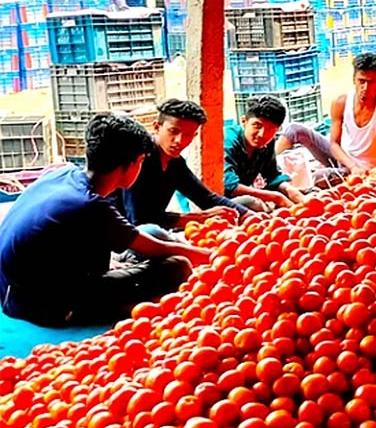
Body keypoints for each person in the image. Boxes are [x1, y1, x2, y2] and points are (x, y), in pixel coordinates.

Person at [0, 115, 210, 327]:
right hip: (44, 306)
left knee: (150, 230)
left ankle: (109, 278)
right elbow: (157, 248)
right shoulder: (89, 206)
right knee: (178, 266)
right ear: (129, 166)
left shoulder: (64, 174)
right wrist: (215, 257)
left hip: (20, 289)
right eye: (140, 161)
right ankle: (96, 310)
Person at [277, 53, 376, 186]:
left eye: (371, 82)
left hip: (364, 170)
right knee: (294, 130)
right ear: (354, 79)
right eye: (361, 81)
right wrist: (351, 165)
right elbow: (334, 144)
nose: (365, 87)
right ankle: (269, 172)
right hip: (344, 158)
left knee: (317, 178)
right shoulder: (341, 103)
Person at [116, 99, 250, 233]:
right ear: (157, 127)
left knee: (245, 204)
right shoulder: (140, 160)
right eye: (173, 131)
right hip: (124, 238)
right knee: (153, 232)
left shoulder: (175, 163)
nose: (179, 141)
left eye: (188, 135)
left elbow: (205, 197)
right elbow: (140, 221)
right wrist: (201, 217)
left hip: (149, 228)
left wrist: (248, 215)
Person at [223, 95, 310, 213]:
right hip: (218, 202)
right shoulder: (227, 140)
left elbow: (272, 175)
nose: (262, 134)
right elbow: (228, 185)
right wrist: (276, 197)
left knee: (306, 192)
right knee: (251, 202)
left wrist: (290, 190)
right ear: (244, 122)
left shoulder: (267, 143)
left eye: (271, 129)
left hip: (239, 198)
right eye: (257, 126)